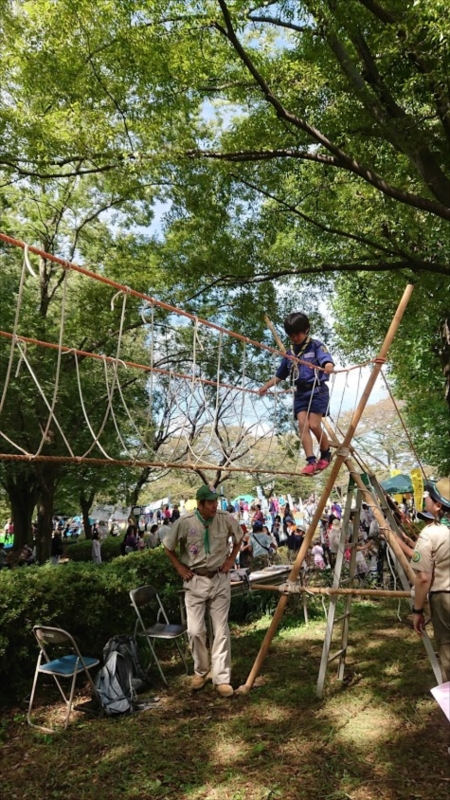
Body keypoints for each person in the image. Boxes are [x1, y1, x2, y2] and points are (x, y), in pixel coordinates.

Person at [164, 484, 243, 697]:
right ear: (200, 504)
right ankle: (201, 671)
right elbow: (168, 546)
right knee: (195, 630)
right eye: (210, 502)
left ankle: (222, 678)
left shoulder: (225, 518)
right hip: (195, 580)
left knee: (221, 630)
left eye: (216, 501)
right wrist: (180, 568)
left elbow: (239, 538)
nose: (214, 505)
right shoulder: (185, 522)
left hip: (219, 578)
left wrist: (230, 561)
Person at [258, 312, 334, 475]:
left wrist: (327, 366)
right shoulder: (290, 353)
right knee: (303, 425)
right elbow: (280, 375)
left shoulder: (316, 346)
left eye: (298, 333)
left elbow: (326, 360)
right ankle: (311, 461)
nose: (295, 338)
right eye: (291, 335)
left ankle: (326, 453)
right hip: (300, 393)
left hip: (317, 390)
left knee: (314, 424)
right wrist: (266, 386)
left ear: (306, 330)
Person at [410, 479, 450, 682]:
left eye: (430, 496)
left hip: (445, 598)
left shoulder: (431, 533)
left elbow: (423, 577)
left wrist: (417, 610)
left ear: (438, 505)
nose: (425, 497)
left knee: (448, 649)